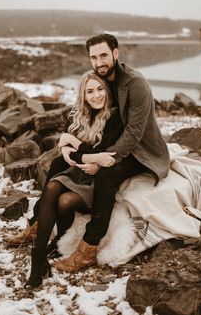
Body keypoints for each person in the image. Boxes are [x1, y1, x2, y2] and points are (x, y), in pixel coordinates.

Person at [52, 33, 170, 273]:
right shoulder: (100, 79)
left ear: (116, 53)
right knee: (56, 164)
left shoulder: (136, 83)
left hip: (141, 152)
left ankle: (88, 248)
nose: (99, 61)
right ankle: (37, 225)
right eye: (94, 57)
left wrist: (104, 160)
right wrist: (68, 145)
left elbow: (134, 133)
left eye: (104, 55)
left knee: (106, 175)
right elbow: (80, 114)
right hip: (109, 146)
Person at [26, 71, 125, 287]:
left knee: (65, 200)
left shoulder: (115, 117)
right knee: (52, 187)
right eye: (90, 91)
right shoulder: (78, 114)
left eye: (100, 89)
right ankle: (38, 259)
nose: (96, 95)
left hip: (96, 181)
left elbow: (104, 157)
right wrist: (68, 145)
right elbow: (69, 151)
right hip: (77, 173)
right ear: (83, 94)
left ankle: (52, 244)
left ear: (107, 91)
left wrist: (74, 143)